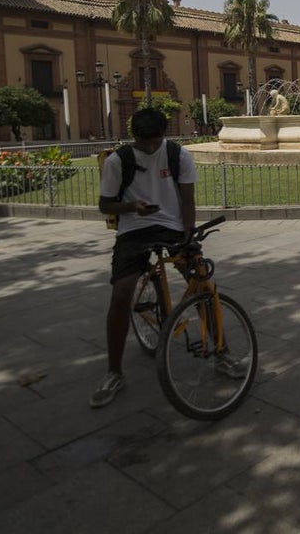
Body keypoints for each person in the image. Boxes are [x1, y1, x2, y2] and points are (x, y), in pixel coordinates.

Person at [91, 108, 196, 408]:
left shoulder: (178, 155)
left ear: (164, 134)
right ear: (133, 136)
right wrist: (132, 207)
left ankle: (223, 350)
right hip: (134, 230)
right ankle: (114, 371)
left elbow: (188, 200)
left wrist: (188, 236)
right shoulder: (118, 161)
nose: (150, 147)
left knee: (200, 281)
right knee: (121, 295)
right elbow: (105, 205)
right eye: (143, 141)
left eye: (155, 141)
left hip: (172, 226)